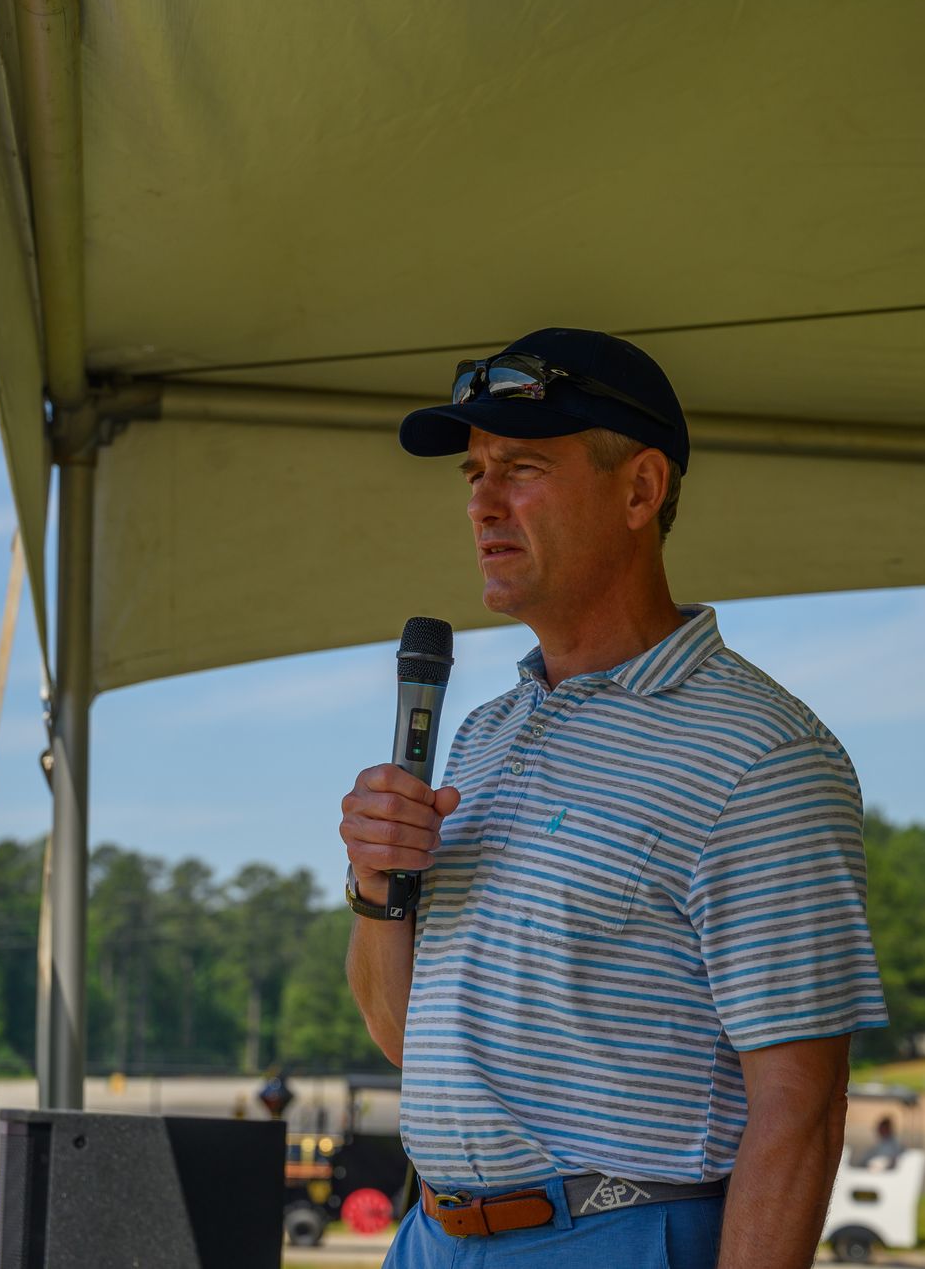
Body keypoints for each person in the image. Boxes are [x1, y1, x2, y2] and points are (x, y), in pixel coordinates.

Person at [339, 328, 888, 1268]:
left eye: (521, 468)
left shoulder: (761, 755)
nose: (482, 502)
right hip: (431, 1235)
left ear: (641, 490)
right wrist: (375, 880)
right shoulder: (484, 733)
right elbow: (404, 1037)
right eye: (473, 472)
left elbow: (801, 1111)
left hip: (618, 1234)